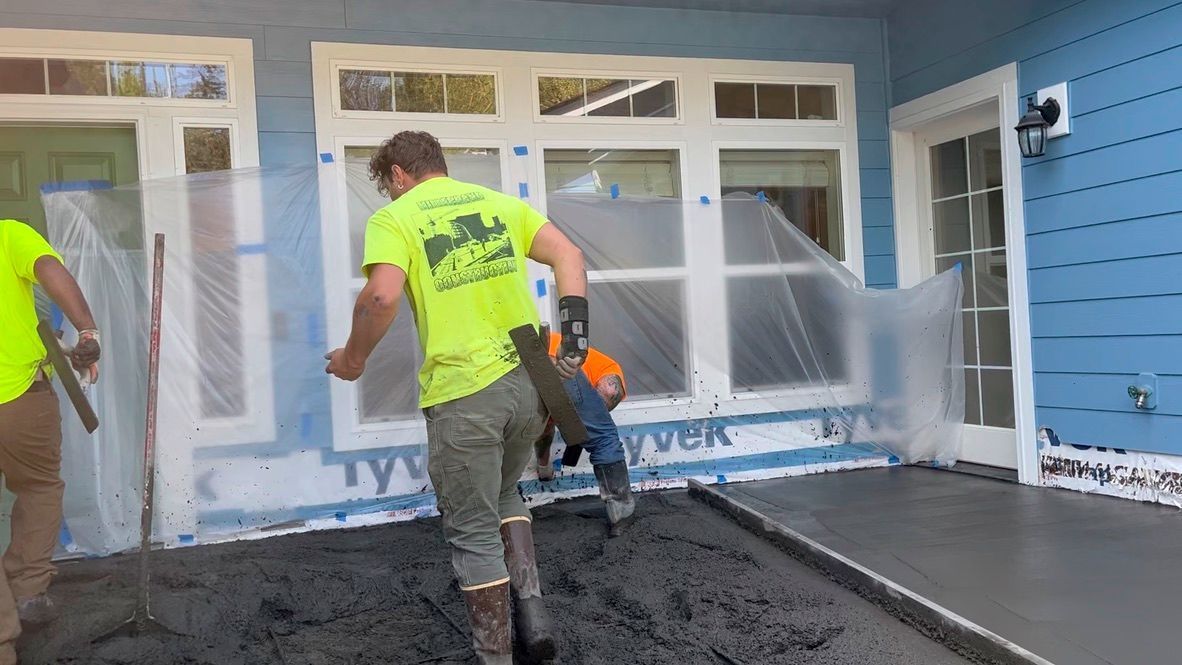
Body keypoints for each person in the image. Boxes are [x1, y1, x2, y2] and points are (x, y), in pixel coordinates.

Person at [324, 131, 587, 665]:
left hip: (466, 389)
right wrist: (576, 339)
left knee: (472, 529)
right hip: (530, 378)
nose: (389, 194)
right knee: (506, 493)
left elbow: (381, 296)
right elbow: (570, 255)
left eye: (388, 185)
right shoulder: (500, 205)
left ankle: (495, 656)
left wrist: (353, 358)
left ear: (399, 174)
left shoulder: (396, 218)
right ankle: (533, 620)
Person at [0, 219, 100, 665]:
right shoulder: (8, 234)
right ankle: (26, 589)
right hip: (19, 396)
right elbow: (48, 267)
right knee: (39, 487)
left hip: (21, 391)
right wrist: (87, 331)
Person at [535, 333, 635, 536]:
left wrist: (544, 468)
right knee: (603, 438)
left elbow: (545, 429)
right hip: (553, 362)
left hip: (516, 360)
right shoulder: (606, 373)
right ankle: (622, 513)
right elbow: (602, 404)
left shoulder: (601, 372)